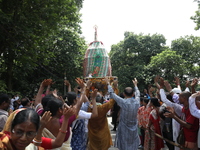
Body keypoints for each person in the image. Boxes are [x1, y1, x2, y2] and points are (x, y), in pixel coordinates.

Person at [158, 77, 199, 150]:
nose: (177, 99)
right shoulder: (183, 108)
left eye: (179, 97)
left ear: (184, 98)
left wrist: (174, 116)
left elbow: (188, 125)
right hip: (185, 136)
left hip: (191, 137)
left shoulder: (192, 110)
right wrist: (174, 114)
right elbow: (183, 120)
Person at [106, 78, 140, 150]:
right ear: (133, 94)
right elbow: (138, 94)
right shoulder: (137, 102)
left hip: (124, 130)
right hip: (134, 130)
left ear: (124, 94)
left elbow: (112, 94)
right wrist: (135, 85)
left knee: (124, 146)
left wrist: (108, 84)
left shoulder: (123, 102)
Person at [87, 79, 119, 150]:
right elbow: (113, 99)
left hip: (92, 135)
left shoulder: (89, 108)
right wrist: (114, 87)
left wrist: (87, 88)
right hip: (103, 135)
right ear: (102, 99)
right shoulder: (103, 107)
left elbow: (84, 99)